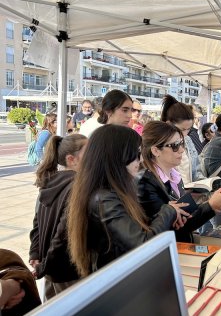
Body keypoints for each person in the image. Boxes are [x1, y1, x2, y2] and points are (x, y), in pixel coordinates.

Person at [67, 125, 177, 277]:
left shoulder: (112, 191)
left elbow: (134, 229)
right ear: (119, 156)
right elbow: (143, 243)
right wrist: (169, 210)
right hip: (116, 279)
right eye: (137, 154)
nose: (140, 160)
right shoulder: (104, 199)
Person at [138, 121, 221, 242]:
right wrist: (210, 207)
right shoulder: (146, 184)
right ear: (156, 151)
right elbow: (171, 229)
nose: (181, 150)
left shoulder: (174, 175)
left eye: (182, 143)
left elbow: (184, 219)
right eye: (175, 145)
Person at [29, 134, 87, 299]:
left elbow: (37, 223)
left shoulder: (49, 182)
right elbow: (63, 234)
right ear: (71, 159)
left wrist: (35, 253)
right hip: (68, 271)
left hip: (51, 270)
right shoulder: (77, 188)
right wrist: (44, 265)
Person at [161, 95, 203, 183]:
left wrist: (202, 184)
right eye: (182, 129)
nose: (185, 134)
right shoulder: (160, 145)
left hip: (189, 192)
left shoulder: (188, 140)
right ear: (169, 124)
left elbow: (196, 169)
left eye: (189, 129)